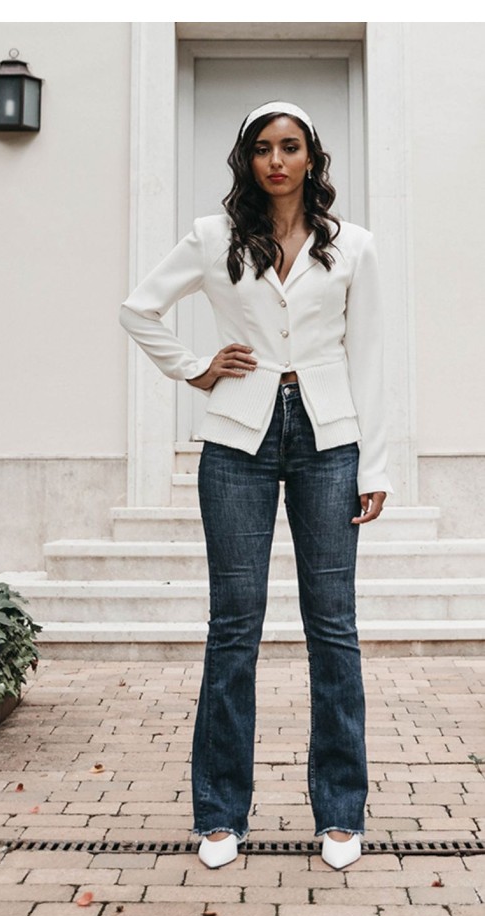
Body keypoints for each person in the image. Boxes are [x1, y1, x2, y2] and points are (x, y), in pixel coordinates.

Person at [119, 101, 393, 871]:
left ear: (312, 159)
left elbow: (371, 357)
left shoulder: (355, 248)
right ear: (248, 159)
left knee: (333, 626)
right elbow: (138, 308)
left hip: (328, 438)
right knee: (234, 628)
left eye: (291, 147)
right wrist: (194, 368)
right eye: (264, 148)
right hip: (237, 438)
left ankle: (341, 813)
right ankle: (219, 815)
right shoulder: (213, 239)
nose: (277, 160)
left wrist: (376, 465)